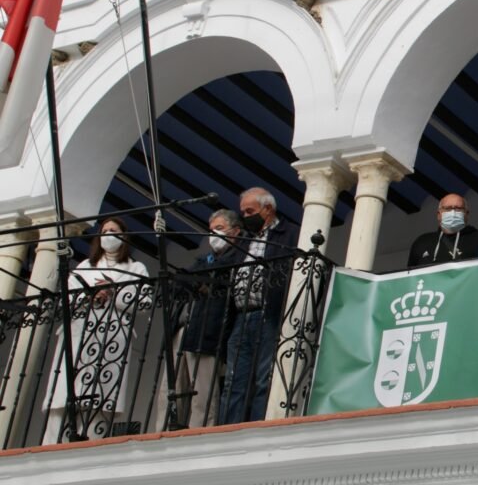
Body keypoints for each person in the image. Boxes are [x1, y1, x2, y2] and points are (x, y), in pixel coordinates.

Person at [45, 218, 150, 444]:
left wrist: (113, 292)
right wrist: (91, 295)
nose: (109, 235)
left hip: (112, 338)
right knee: (66, 396)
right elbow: (67, 300)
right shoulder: (85, 266)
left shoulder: (135, 268)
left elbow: (145, 302)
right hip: (78, 334)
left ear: (123, 236)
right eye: (104, 231)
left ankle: (92, 445)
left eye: (114, 231)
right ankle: (54, 446)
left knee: (100, 399)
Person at [156, 210, 239, 430]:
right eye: (211, 230)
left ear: (236, 232)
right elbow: (181, 282)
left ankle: (199, 434)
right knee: (171, 389)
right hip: (183, 329)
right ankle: (164, 432)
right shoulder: (204, 260)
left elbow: (223, 291)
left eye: (219, 229)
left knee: (202, 392)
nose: (214, 234)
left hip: (208, 332)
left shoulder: (237, 259)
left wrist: (202, 286)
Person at [221, 187, 298, 425]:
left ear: (268, 209)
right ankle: (228, 429)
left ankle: (257, 426)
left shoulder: (289, 234)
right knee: (234, 380)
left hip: (270, 313)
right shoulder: (244, 239)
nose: (245, 216)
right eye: (243, 212)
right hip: (241, 316)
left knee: (264, 378)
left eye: (250, 211)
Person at [406, 194, 478, 267]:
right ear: (438, 215)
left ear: (466, 214)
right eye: (447, 208)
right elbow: (410, 276)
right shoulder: (422, 242)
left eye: (458, 208)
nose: (453, 212)